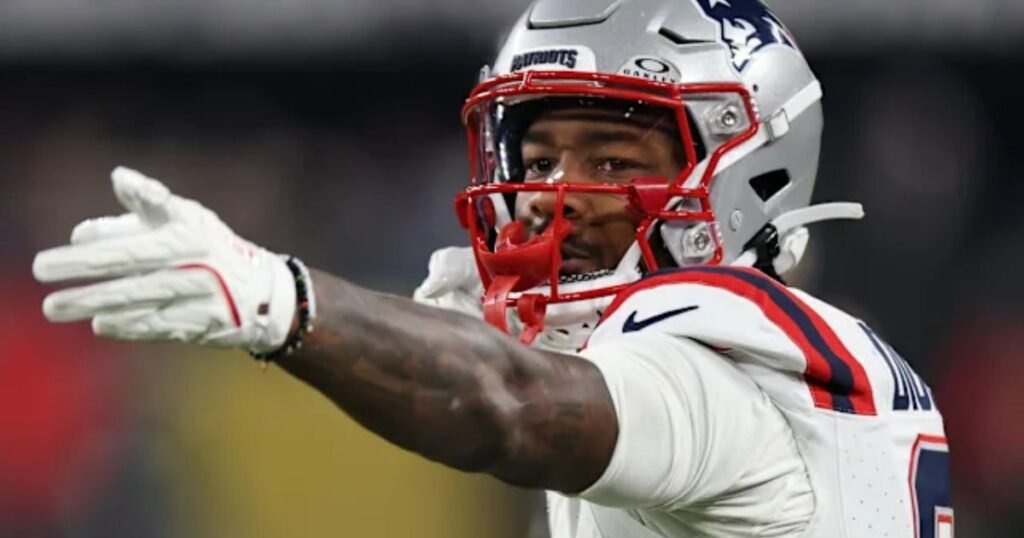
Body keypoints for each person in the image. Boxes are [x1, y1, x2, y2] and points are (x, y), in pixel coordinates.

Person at [32, 0, 953, 536]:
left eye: (612, 161)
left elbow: (511, 407)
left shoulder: (722, 354)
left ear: (749, 172)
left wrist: (281, 301)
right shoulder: (825, 354)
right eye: (539, 160)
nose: (555, 196)